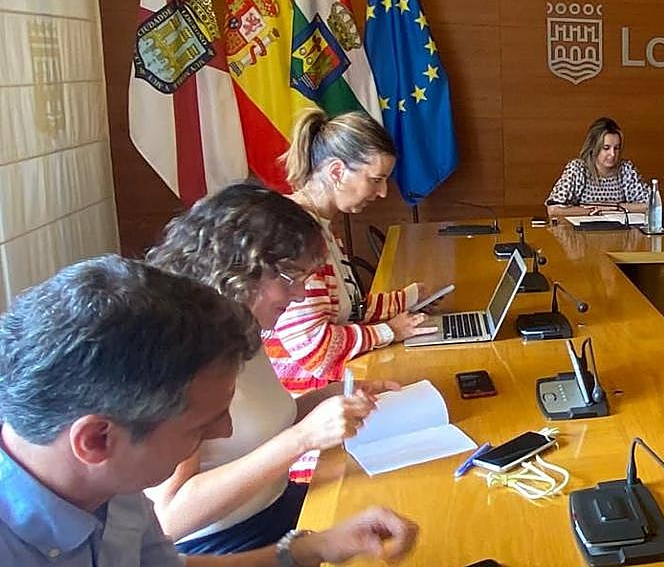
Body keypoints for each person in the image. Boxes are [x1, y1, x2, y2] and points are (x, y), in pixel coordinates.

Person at [0, 255, 419, 566]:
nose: (225, 431)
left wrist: (315, 547)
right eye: (200, 426)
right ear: (96, 440)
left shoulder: (112, 480)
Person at [144, 184, 394, 553]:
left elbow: (258, 426)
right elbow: (170, 517)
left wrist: (330, 396)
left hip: (279, 508)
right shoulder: (182, 357)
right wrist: (304, 438)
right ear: (238, 268)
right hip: (225, 545)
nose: (300, 295)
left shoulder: (243, 327)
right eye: (291, 278)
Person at [267, 109, 435, 403]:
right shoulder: (297, 237)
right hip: (308, 401)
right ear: (336, 172)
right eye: (376, 179)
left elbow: (348, 310)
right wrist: (389, 332)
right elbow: (316, 350)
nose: (383, 192)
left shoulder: (318, 226)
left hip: (329, 389)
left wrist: (410, 297)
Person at [545, 117, 653, 217]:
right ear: (594, 147)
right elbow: (553, 209)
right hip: (584, 229)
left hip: (618, 229)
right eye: (606, 148)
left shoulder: (626, 169)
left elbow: (651, 205)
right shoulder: (578, 169)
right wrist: (595, 211)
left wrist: (615, 207)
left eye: (616, 148)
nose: (613, 154)